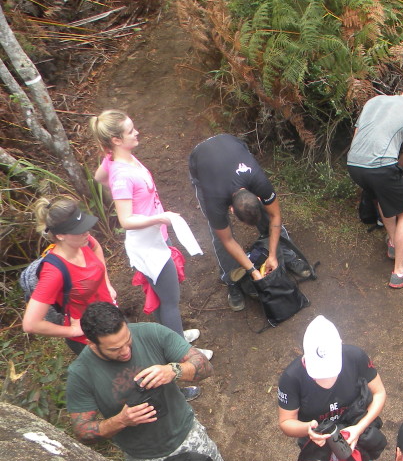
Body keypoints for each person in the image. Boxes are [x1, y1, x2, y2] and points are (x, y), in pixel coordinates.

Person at [64, 302, 233, 461]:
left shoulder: (151, 333)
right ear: (92, 344)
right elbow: (82, 431)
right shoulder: (81, 374)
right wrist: (121, 421)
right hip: (145, 460)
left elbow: (205, 366)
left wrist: (174, 370)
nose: (126, 351)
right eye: (114, 349)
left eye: (127, 340)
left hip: (189, 437)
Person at [90, 110, 211, 359]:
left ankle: (170, 334)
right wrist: (159, 218)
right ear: (116, 140)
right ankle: (181, 352)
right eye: (130, 131)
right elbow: (125, 219)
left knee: (162, 295)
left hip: (154, 238)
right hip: (149, 244)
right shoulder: (123, 174)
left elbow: (99, 177)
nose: (136, 133)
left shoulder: (114, 160)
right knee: (169, 300)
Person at [189, 133, 305, 311]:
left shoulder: (259, 181)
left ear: (258, 197)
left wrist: (272, 255)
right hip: (201, 162)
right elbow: (227, 240)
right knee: (219, 235)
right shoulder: (215, 201)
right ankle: (232, 280)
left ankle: (287, 255)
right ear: (231, 210)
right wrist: (252, 270)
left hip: (230, 144)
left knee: (268, 219)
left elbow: (275, 216)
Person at [346, 83, 403, 289]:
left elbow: (357, 136)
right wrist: (397, 168)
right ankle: (400, 273)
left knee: (383, 199)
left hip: (354, 164)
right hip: (381, 166)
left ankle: (394, 243)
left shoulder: (373, 101)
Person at [277, 315, 387, 461]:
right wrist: (308, 429)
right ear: (305, 356)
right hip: (318, 439)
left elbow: (379, 393)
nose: (326, 378)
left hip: (355, 427)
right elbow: (286, 422)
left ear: (340, 346)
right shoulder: (291, 378)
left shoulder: (355, 357)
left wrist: (359, 428)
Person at [22, 197, 117, 355]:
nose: (87, 232)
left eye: (85, 225)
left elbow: (97, 248)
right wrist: (73, 331)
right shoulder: (54, 271)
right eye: (78, 230)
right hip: (92, 338)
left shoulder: (85, 242)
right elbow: (30, 324)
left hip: (112, 315)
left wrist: (107, 284)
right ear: (60, 235)